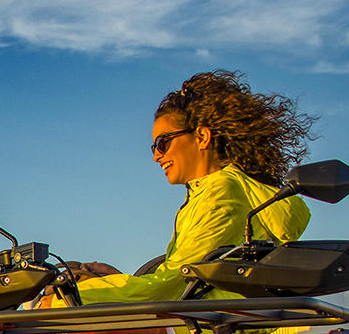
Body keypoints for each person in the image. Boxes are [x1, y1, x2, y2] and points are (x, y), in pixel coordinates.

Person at [65, 70, 317, 306]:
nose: (156, 156)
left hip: (205, 328)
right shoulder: (211, 191)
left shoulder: (221, 192)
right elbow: (185, 279)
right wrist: (110, 281)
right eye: (154, 148)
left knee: (44, 325)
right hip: (200, 320)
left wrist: (70, 297)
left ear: (202, 137)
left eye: (163, 143)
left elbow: (173, 287)